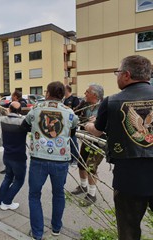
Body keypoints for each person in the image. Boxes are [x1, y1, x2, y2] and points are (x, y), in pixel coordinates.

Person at [85, 55, 153, 240]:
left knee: (129, 231)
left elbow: (97, 132)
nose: (116, 77)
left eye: (117, 72)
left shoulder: (111, 101)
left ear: (126, 75)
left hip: (129, 179)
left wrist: (88, 126)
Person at [21, 81, 78, 239]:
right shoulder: (69, 112)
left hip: (39, 158)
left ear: (47, 93)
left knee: (34, 195)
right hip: (61, 159)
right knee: (59, 194)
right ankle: (56, 228)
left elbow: (24, 126)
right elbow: (72, 132)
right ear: (63, 94)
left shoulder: (37, 109)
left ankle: (38, 233)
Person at [70, 83, 104, 207]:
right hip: (86, 138)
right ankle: (83, 186)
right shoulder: (84, 104)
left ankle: (92, 194)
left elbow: (109, 122)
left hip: (99, 141)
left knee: (91, 167)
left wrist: (98, 120)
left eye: (87, 92)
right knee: (81, 164)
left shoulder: (104, 106)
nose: (85, 94)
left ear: (94, 95)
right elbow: (74, 114)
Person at [0, 101, 27, 211]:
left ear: (9, 109)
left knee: (8, 177)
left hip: (7, 155)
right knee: (19, 180)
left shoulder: (3, 120)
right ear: (19, 111)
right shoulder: (22, 122)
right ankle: (7, 202)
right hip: (18, 157)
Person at [0, 90, 28, 174]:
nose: (11, 97)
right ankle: (8, 168)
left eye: (12, 95)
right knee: (8, 146)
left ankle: (13, 170)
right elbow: (5, 106)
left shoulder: (22, 103)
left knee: (14, 146)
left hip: (18, 127)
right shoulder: (13, 103)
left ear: (15, 96)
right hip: (10, 125)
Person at [63, 85, 80, 166]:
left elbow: (77, 111)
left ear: (67, 90)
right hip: (66, 123)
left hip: (72, 123)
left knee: (73, 141)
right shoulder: (65, 100)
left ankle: (76, 159)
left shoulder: (74, 99)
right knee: (68, 142)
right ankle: (70, 158)